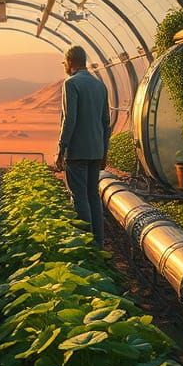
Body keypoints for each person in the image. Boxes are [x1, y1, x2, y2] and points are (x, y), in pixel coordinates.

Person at [54, 45, 111, 248]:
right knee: (93, 195)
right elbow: (106, 122)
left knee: (79, 196)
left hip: (77, 151)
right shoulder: (100, 86)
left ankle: (86, 245)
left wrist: (62, 148)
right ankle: (98, 242)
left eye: (64, 63)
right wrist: (104, 150)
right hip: (96, 150)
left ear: (70, 62)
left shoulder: (71, 84)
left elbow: (70, 119)